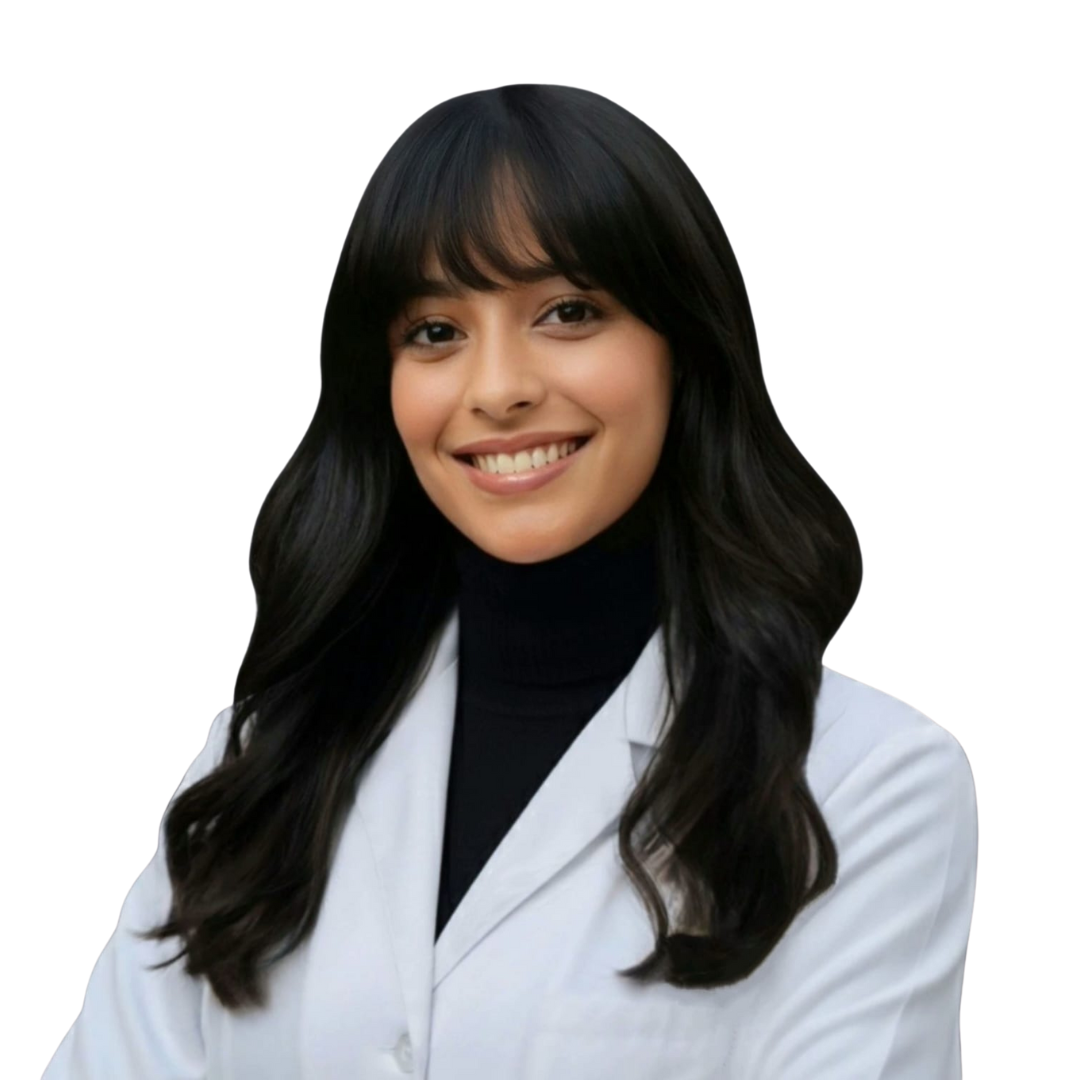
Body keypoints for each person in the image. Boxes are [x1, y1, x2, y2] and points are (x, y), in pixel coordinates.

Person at [43, 83, 978, 1080]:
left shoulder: (866, 784)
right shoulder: (261, 764)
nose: (497, 390)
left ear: (685, 348)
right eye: (434, 331)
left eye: (568, 312)